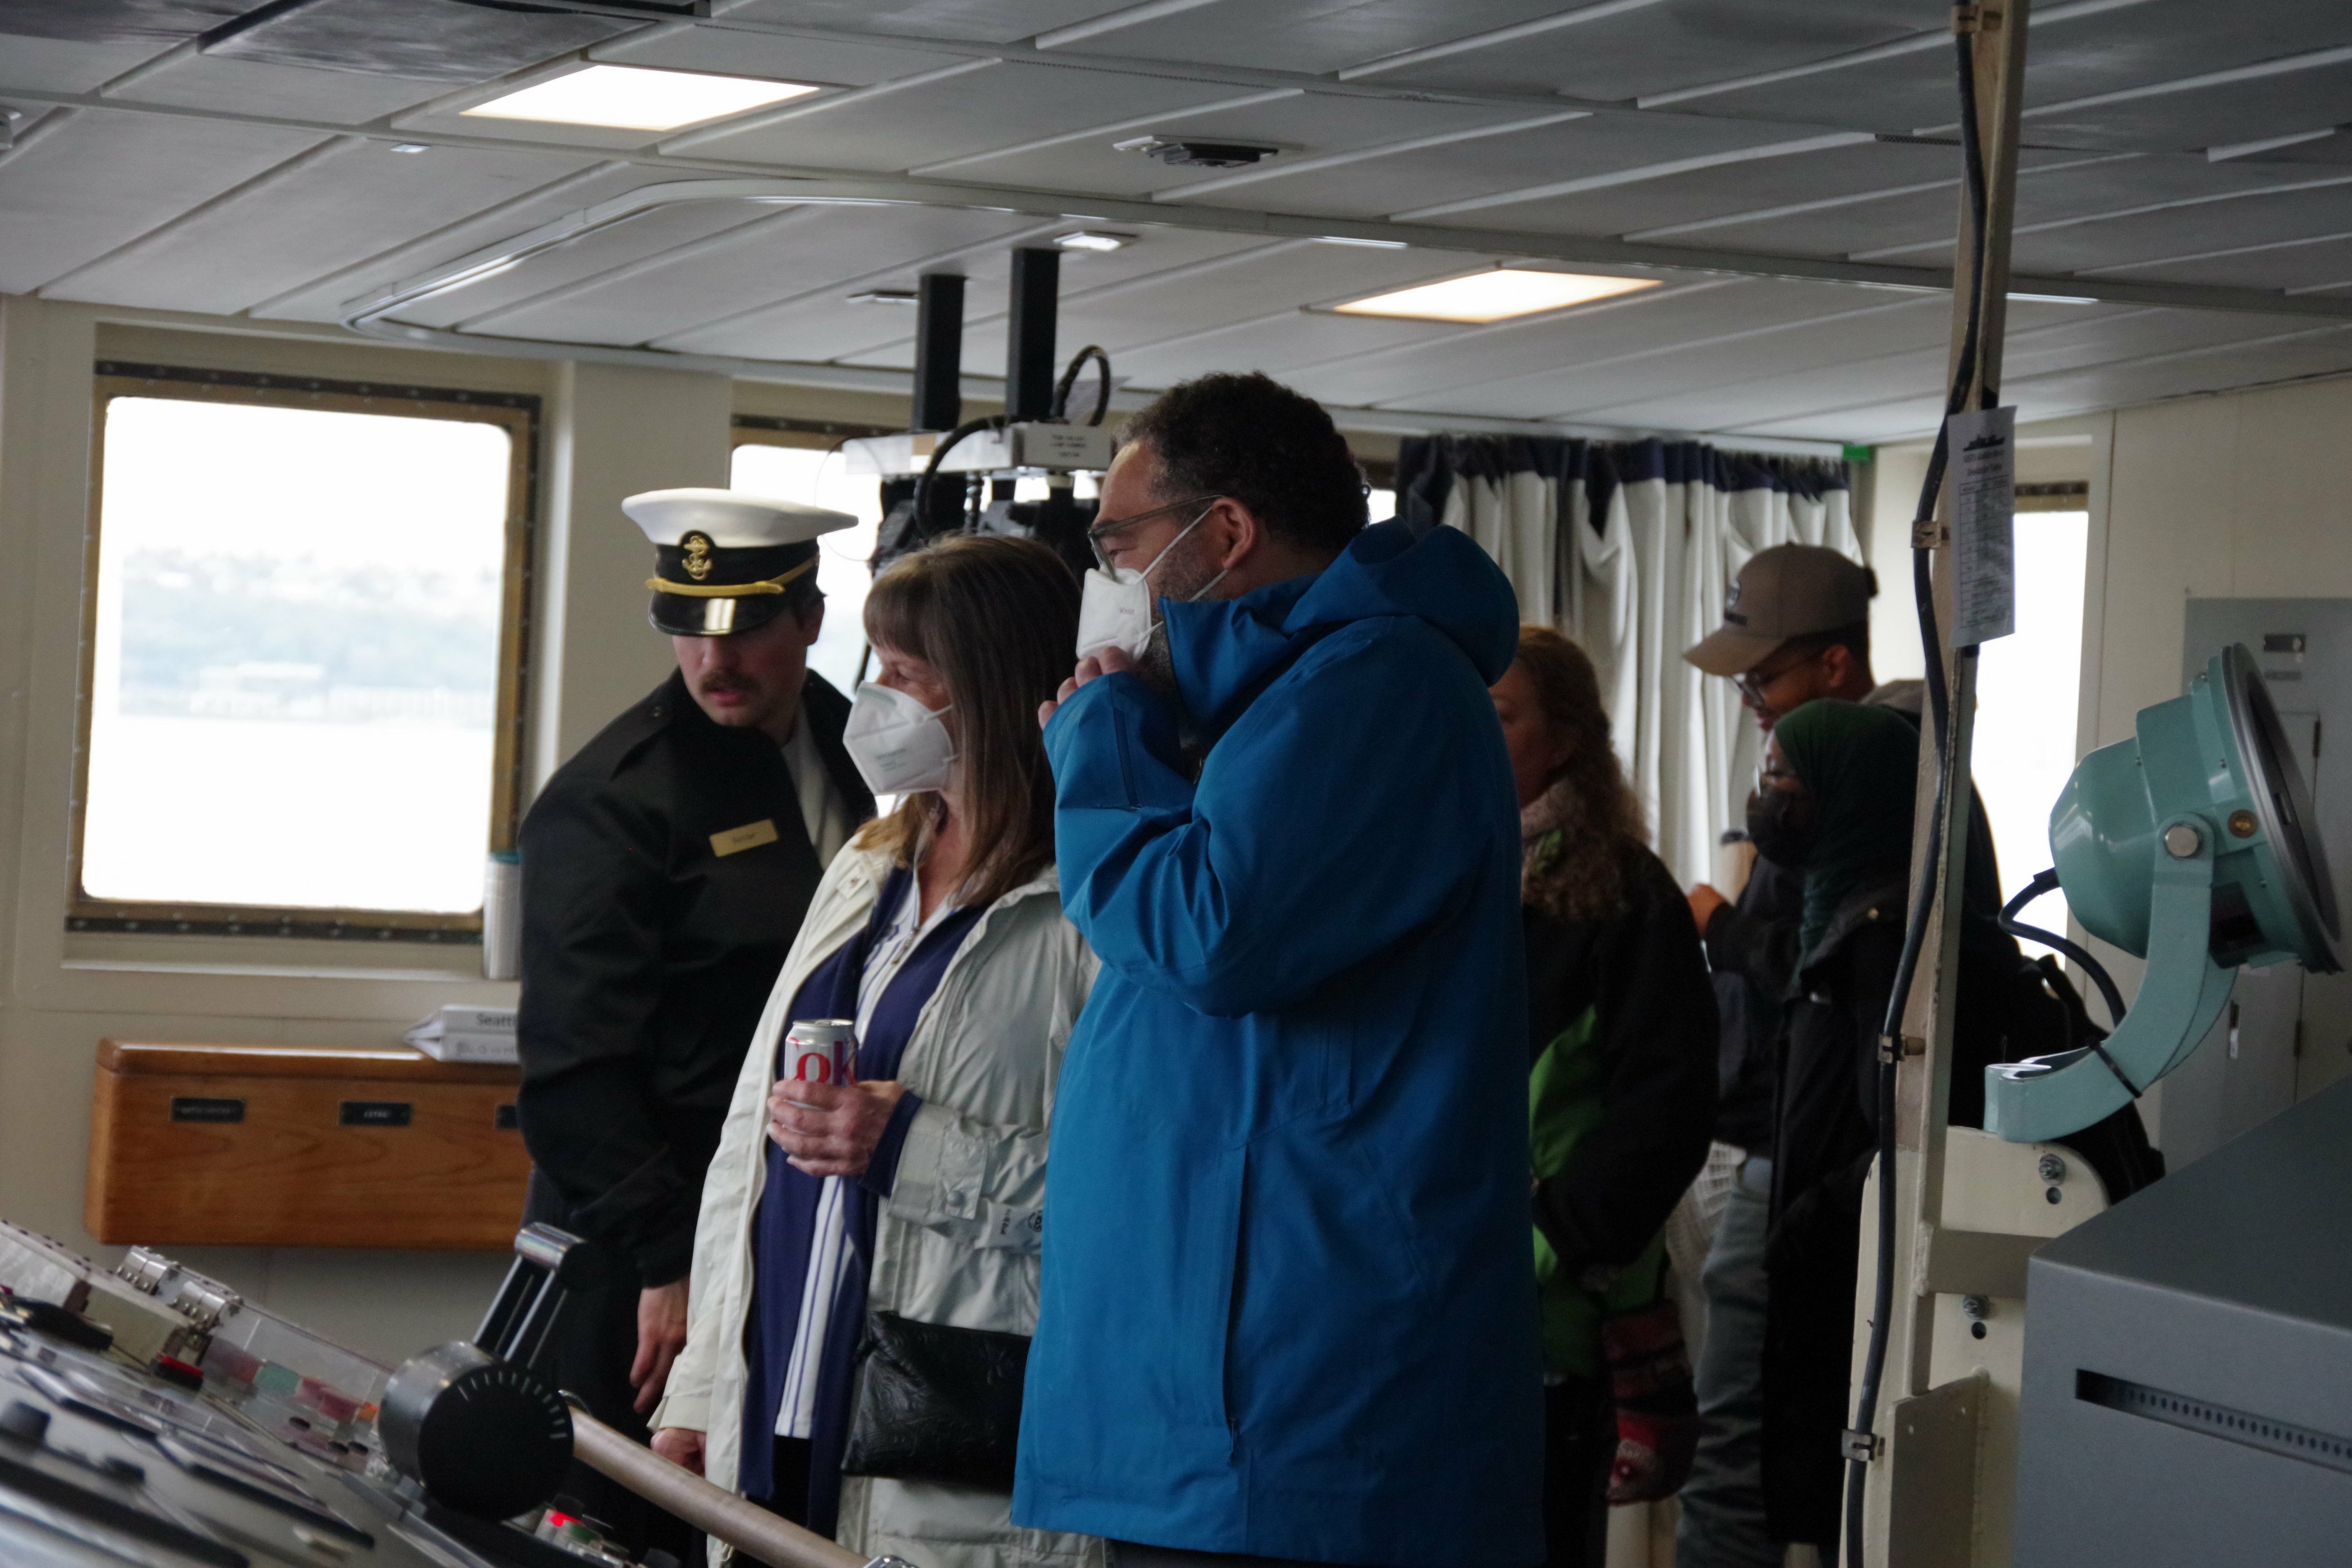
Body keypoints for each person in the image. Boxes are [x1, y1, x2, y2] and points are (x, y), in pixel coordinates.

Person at [1018, 372, 1543, 1568]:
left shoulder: (1376, 685)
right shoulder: (1263, 706)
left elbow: (1213, 930)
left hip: (1302, 1399)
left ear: (1225, 532)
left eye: (1119, 542)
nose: (1108, 578)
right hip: (1211, 1385)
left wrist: (1100, 741)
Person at [650, 535, 1103, 1568]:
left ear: (987, 691)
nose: (872, 700)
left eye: (902, 675)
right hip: (782, 1389)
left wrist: (914, 1147)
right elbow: (749, 1144)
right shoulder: (871, 862)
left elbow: (1145, 1199)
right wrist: (709, 1386)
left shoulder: (1092, 904)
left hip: (942, 1417)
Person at [515, 488, 875, 1561]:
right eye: (688, 627)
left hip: (803, 1216)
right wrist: (671, 1263)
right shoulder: (616, 800)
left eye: (747, 627)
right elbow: (573, 1079)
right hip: (644, 1253)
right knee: (630, 1529)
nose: (715, 661)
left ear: (809, 619)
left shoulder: (863, 750)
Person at [1672, 544, 1884, 1568]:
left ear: (1835, 665)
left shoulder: (1861, 772)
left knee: (1732, 1437)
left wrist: (1718, 926)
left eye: (1765, 674)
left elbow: (1833, 961)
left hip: (1796, 1157)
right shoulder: (1872, 769)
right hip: (1780, 1146)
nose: (1751, 698)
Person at [1493, 626, 1718, 1568]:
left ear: (1566, 739)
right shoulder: (1432, 868)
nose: (1474, 731)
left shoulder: (1622, 891)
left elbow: (1665, 1107)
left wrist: (1557, 1236)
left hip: (1548, 1304)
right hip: (1425, 1296)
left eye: (1501, 715)